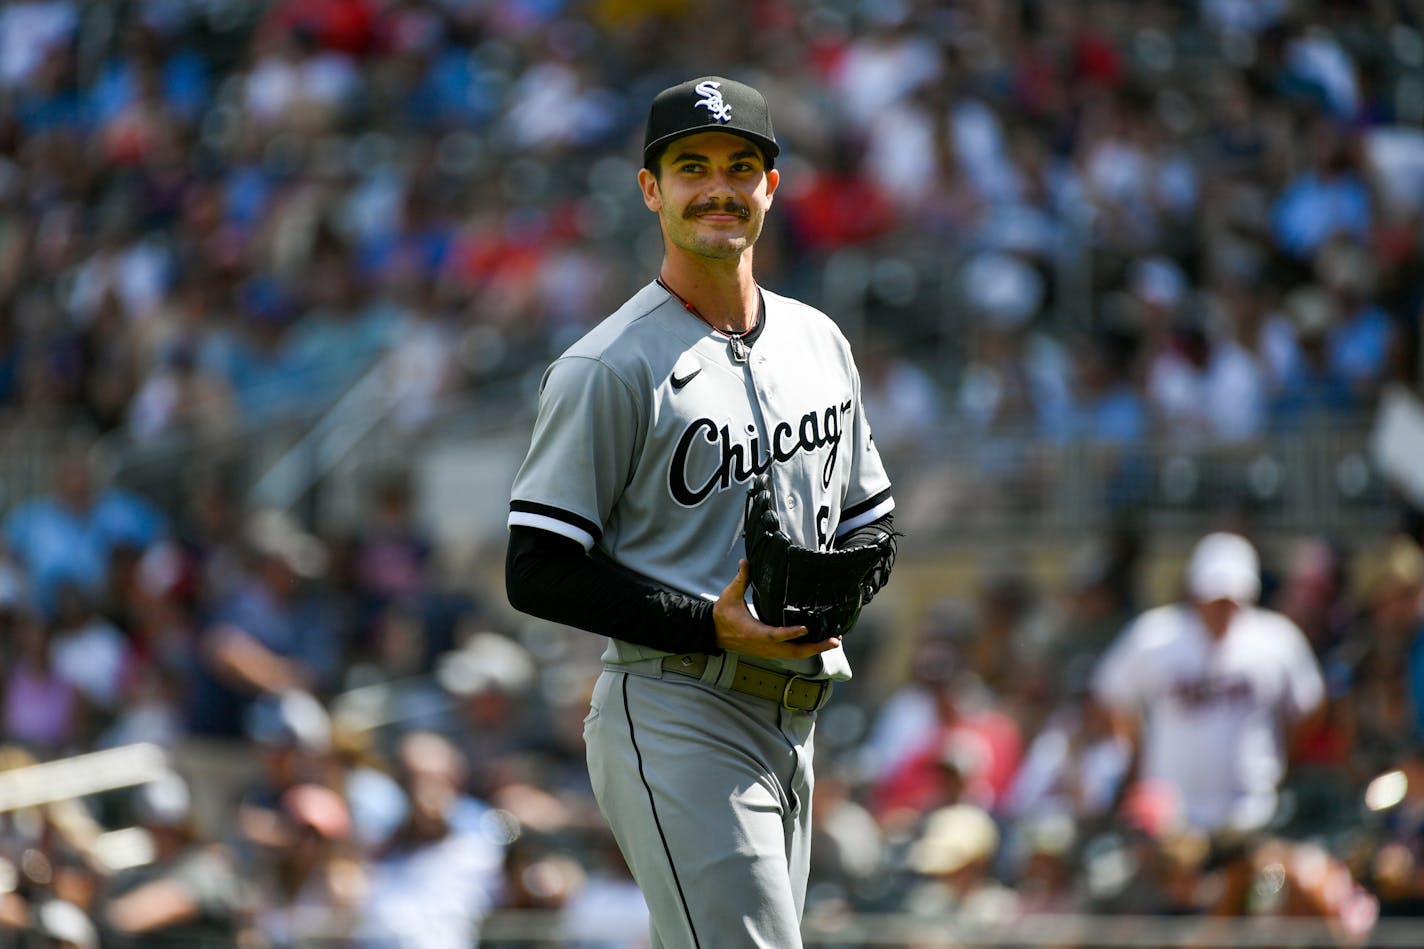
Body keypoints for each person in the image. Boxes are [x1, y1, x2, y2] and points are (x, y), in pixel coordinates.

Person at [505, 75, 898, 948]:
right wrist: (708, 625)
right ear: (651, 190)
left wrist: (845, 585)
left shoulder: (817, 340)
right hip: (676, 707)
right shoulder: (606, 365)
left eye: (739, 165)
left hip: (794, 718)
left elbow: (870, 515)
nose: (717, 187)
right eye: (690, 167)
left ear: (771, 185)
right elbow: (534, 566)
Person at [1092, 531, 1326, 835]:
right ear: (1196, 595)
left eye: (1232, 601)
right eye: (1215, 600)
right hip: (1171, 813)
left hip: (1252, 809)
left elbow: (1310, 706)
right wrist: (1137, 752)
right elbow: (1110, 692)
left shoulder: (1276, 639)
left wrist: (1280, 760)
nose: (1222, 611)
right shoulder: (1155, 636)